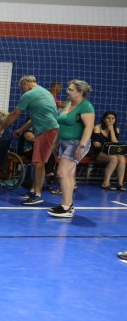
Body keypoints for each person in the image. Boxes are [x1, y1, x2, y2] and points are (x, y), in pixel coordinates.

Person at [1, 75, 60, 206]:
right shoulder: (44, 92)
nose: (23, 90)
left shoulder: (29, 94)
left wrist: (2, 128)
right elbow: (35, 117)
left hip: (46, 130)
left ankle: (37, 195)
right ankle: (34, 190)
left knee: (39, 163)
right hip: (49, 130)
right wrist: (21, 130)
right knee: (38, 162)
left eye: (22, 87)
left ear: (26, 83)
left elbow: (15, 114)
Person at [48, 80, 95, 218]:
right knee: (67, 175)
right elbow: (61, 124)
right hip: (64, 142)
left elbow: (89, 127)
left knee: (62, 173)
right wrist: (56, 141)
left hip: (76, 143)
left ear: (80, 92)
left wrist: (81, 146)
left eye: (71, 89)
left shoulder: (86, 106)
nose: (67, 91)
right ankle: (67, 205)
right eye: (68, 88)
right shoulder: (68, 104)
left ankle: (67, 206)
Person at [90, 111, 125, 190]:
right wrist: (108, 146)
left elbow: (115, 143)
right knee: (114, 158)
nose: (110, 120)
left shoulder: (116, 129)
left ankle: (120, 184)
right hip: (98, 152)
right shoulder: (97, 128)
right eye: (108, 118)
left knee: (122, 158)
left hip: (110, 152)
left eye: (113, 118)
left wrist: (111, 130)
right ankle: (106, 183)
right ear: (104, 119)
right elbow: (96, 144)